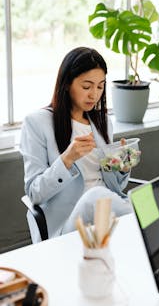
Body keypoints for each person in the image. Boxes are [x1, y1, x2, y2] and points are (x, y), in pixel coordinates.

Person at [20, 47, 132, 243]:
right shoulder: (37, 123)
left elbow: (113, 186)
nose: (94, 95)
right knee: (97, 196)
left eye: (100, 86)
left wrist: (121, 166)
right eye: (87, 86)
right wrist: (67, 159)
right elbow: (34, 193)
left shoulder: (103, 123)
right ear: (66, 84)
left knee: (150, 196)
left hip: (106, 212)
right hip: (70, 223)